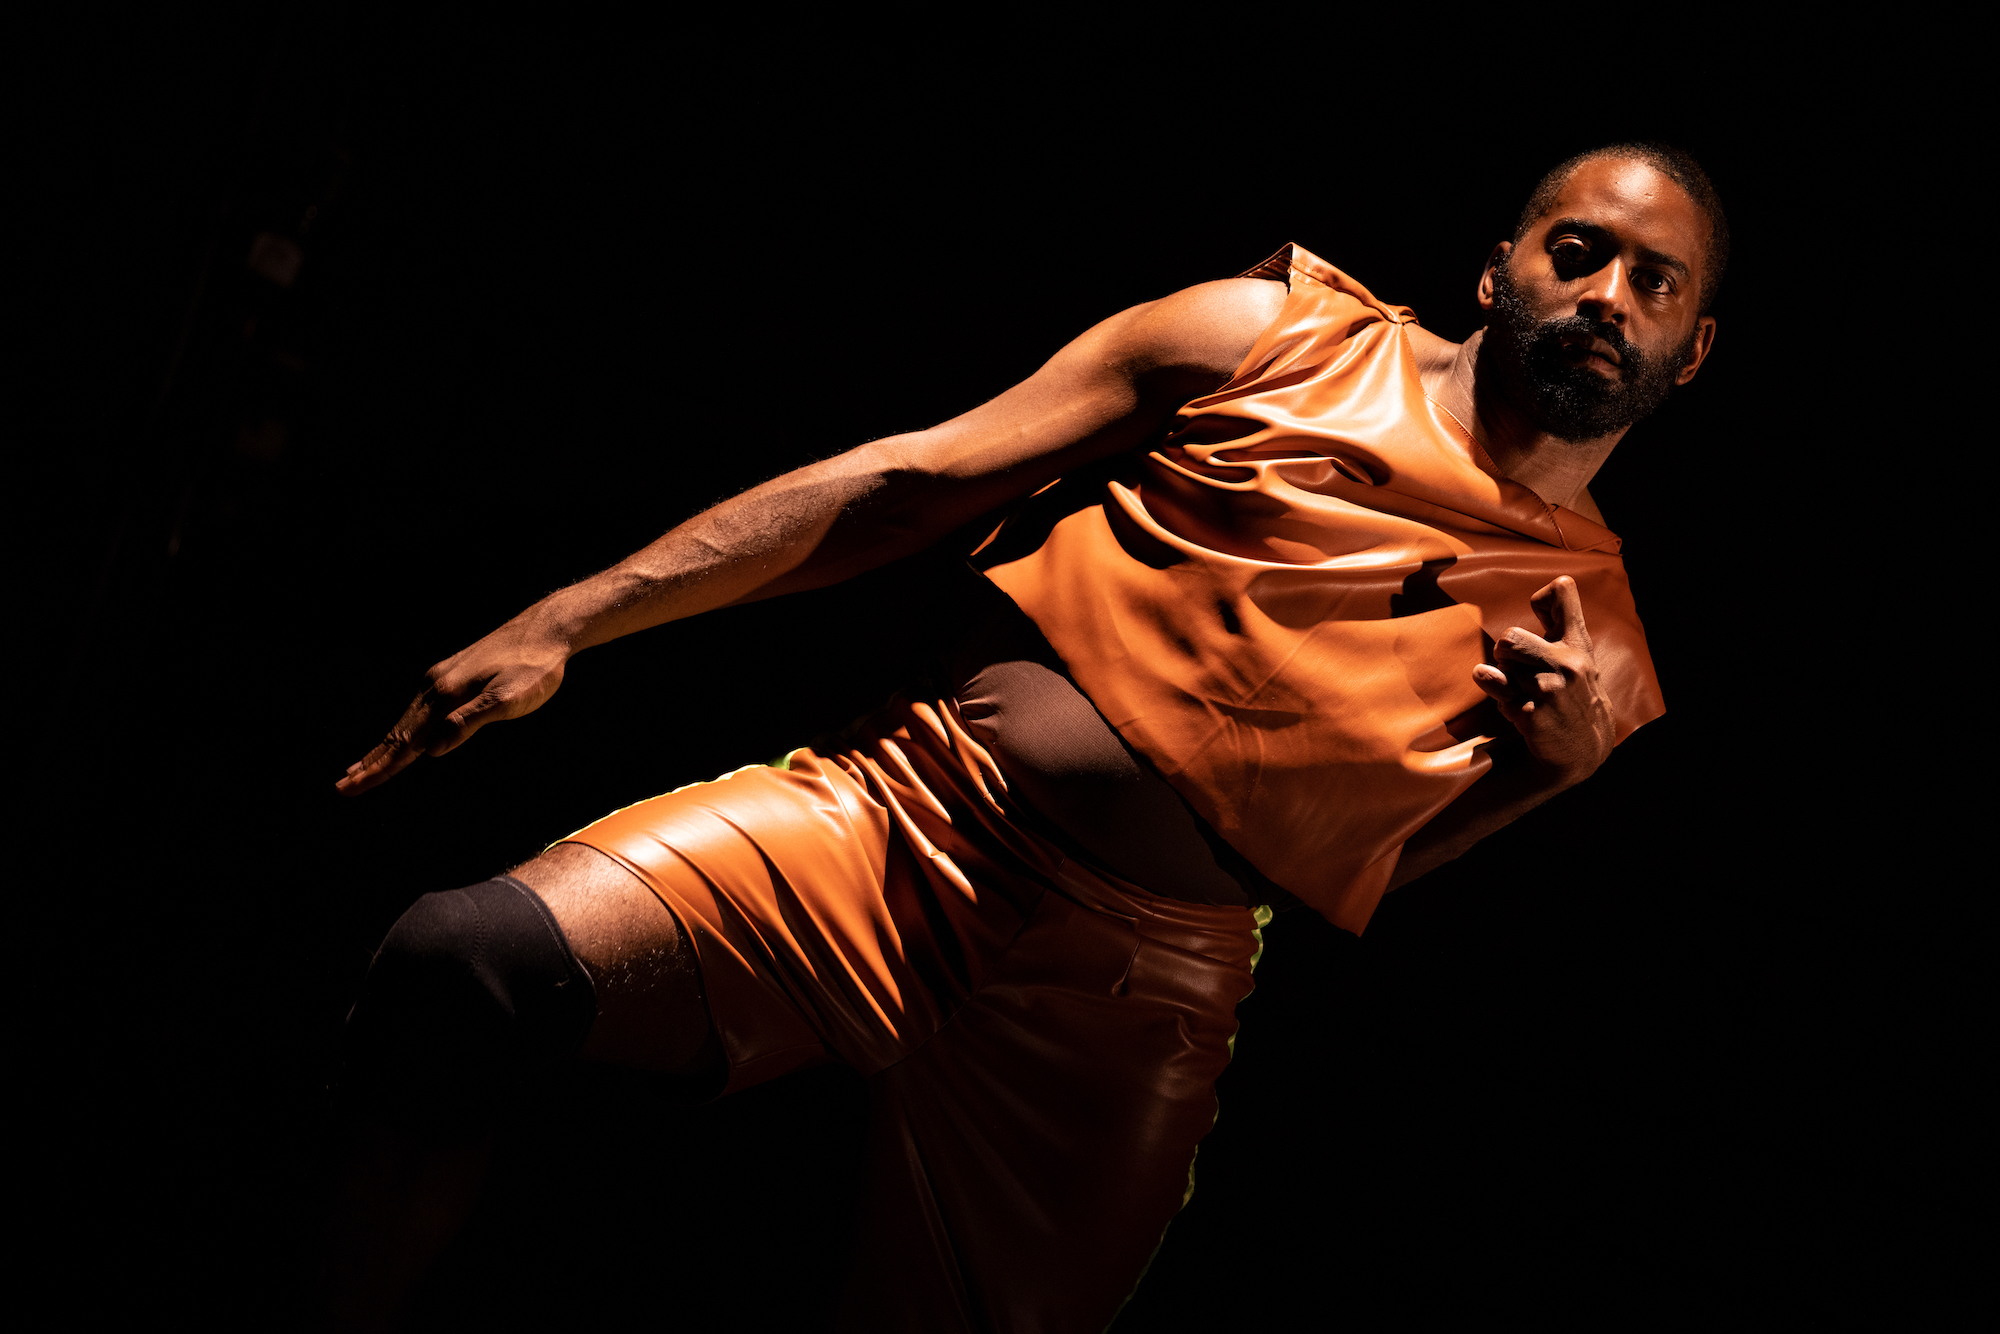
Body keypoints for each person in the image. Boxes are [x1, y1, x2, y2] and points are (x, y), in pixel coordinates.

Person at [322, 141, 1725, 1331]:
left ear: (1692, 347)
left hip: (1135, 995)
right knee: (465, 963)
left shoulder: (1597, 653)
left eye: (1652, 282)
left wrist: (1544, 783)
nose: (1607, 294)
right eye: (1578, 249)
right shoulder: (1273, 335)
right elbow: (910, 478)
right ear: (1499, 268)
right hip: (909, 820)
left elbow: (1339, 869)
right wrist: (571, 618)